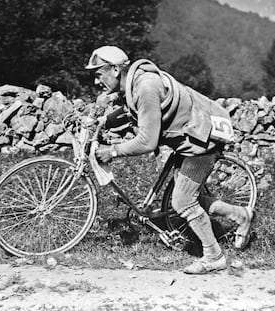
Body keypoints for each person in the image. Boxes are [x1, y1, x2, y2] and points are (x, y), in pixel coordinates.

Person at [85, 45, 253, 275]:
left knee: (183, 202)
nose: (96, 82)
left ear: (115, 70)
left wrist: (112, 151)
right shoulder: (135, 82)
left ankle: (214, 256)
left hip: (201, 143)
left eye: (98, 74)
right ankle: (240, 215)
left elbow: (147, 141)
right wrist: (104, 121)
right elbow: (131, 110)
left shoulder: (145, 87)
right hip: (189, 138)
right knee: (191, 198)